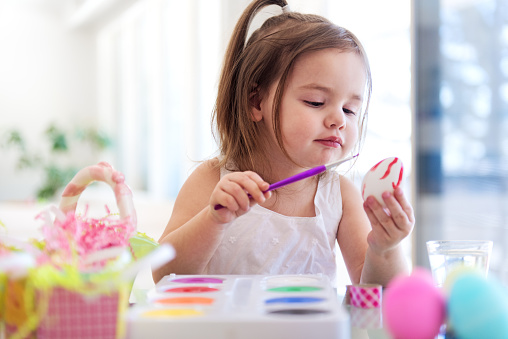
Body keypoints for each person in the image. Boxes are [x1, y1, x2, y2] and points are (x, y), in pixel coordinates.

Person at [153, 0, 414, 287]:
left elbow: (378, 295)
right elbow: (163, 275)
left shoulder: (339, 196)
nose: (339, 120)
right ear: (256, 101)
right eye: (316, 102)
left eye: (350, 109)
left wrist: (384, 248)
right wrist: (214, 220)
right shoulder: (213, 180)